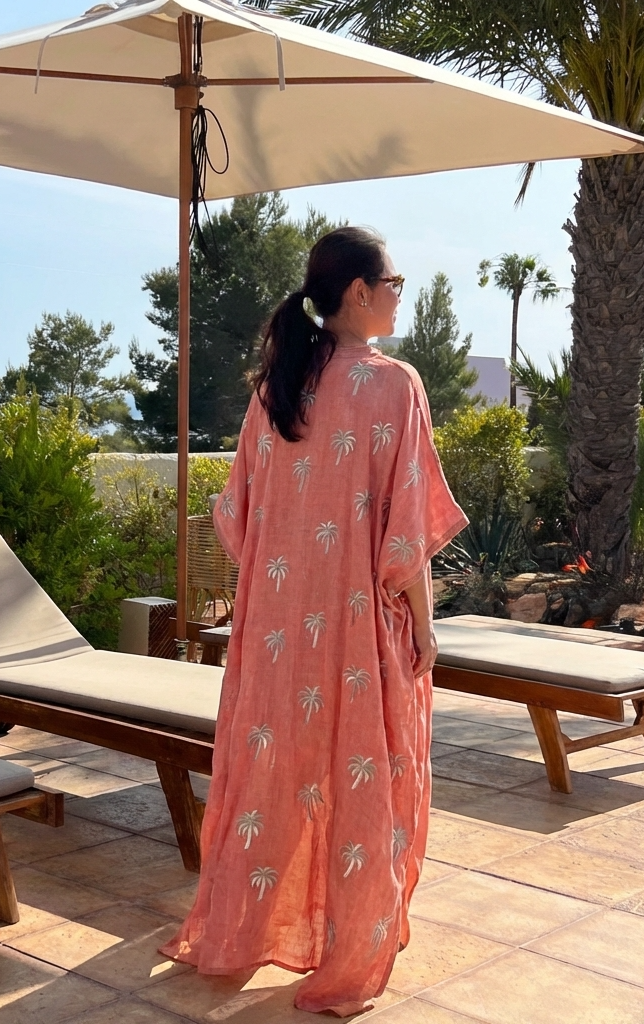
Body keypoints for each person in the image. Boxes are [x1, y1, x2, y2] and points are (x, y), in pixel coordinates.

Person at [161, 227, 467, 1016]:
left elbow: (236, 518)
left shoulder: (277, 386)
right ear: (359, 292)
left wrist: (289, 583)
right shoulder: (394, 385)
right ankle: (353, 940)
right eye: (395, 283)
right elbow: (405, 537)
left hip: (276, 629)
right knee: (369, 777)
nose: (400, 295)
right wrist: (424, 628)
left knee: (277, 774)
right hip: (358, 630)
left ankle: (256, 926)